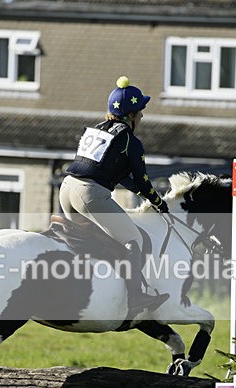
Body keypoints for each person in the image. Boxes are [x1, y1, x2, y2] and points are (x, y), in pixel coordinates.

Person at [60, 76, 170, 315]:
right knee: (134, 240)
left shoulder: (98, 129)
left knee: (99, 238)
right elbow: (142, 180)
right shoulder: (131, 141)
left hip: (67, 188)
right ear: (130, 115)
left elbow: (119, 176)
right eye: (140, 112)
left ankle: (97, 287)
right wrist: (158, 201)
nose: (141, 117)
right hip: (89, 194)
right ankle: (135, 298)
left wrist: (142, 193)